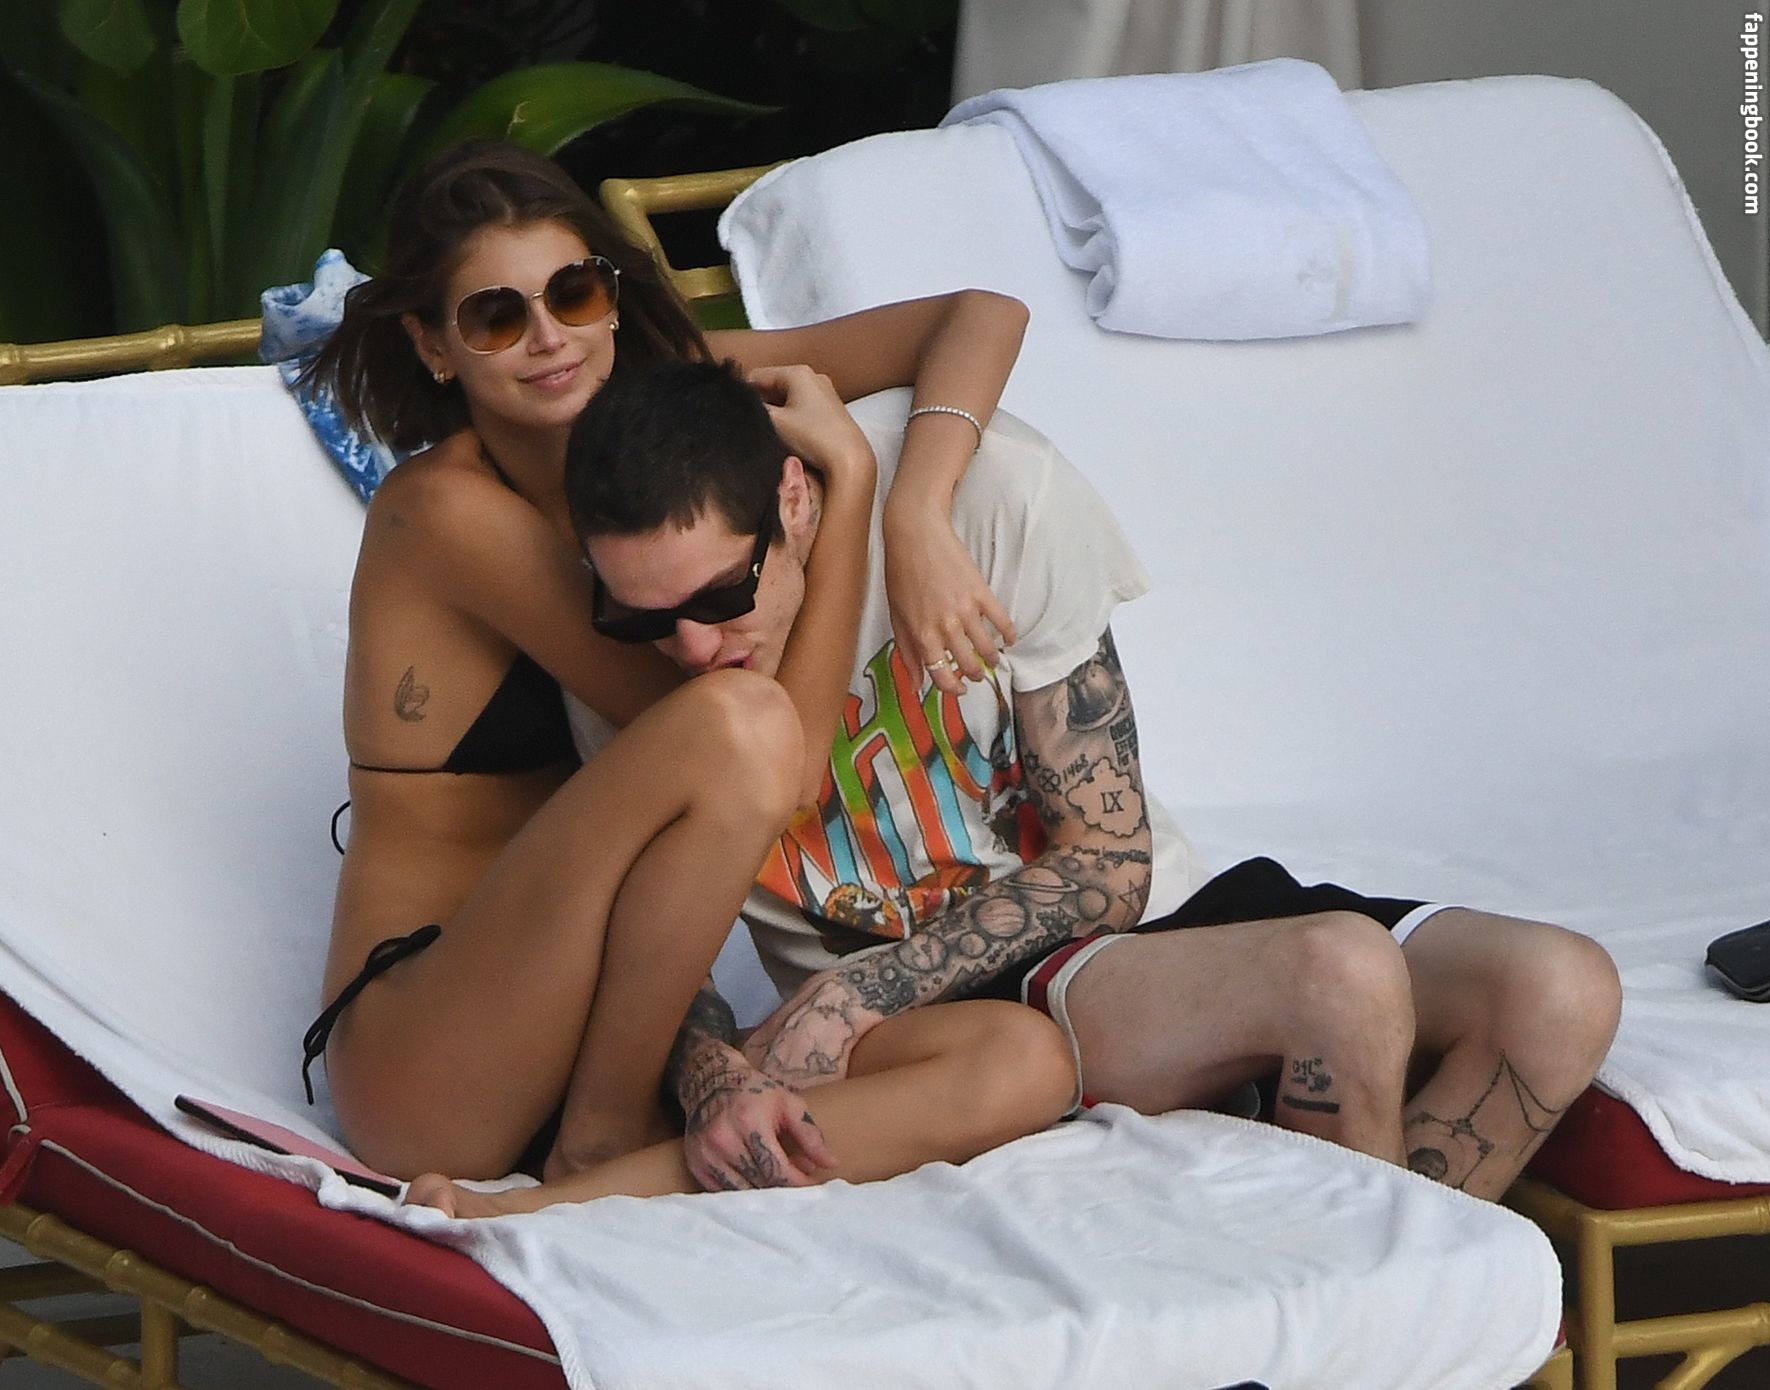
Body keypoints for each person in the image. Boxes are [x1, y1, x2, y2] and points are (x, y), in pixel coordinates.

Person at [549, 357, 1624, 1207]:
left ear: (792, 498)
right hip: (954, 1022)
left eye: (720, 597)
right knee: (1340, 976)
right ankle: (1365, 1336)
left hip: (1113, 927)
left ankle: (1374, 1325)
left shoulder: (985, 501)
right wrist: (715, 1073)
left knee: (1560, 991)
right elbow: (647, 953)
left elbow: (1109, 861)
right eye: (647, 618)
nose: (690, 649)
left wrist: (855, 991)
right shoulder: (621, 661)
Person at [297, 137, 1072, 1196]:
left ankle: (590, 1196)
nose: (549, 338)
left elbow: (979, 315)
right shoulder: (446, 512)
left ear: (611, 300)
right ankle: (599, 1137)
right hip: (436, 1046)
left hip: (613, 1011)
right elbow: (776, 758)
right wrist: (848, 482)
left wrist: (919, 510)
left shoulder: (671, 417)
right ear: (434, 345)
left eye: (573, 293)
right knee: (734, 724)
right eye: (495, 317)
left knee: (1021, 1062)